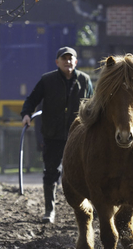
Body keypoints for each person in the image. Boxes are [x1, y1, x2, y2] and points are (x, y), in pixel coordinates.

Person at [21, 46, 93, 223]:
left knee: (87, 172)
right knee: (51, 171)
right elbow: (32, 99)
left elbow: (93, 105)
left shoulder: (84, 80)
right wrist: (26, 114)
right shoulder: (47, 80)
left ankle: (91, 206)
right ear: (57, 62)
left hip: (78, 136)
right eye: (64, 58)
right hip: (53, 134)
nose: (68, 61)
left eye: (71, 59)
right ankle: (49, 210)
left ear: (75, 62)